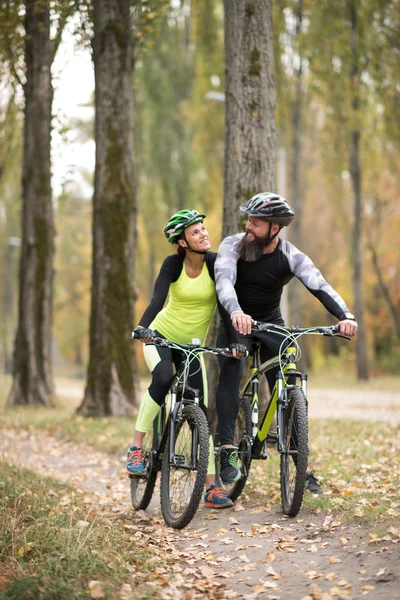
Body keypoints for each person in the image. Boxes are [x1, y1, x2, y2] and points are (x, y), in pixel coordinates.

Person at [214, 192, 358, 492]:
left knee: (286, 378)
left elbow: (318, 284)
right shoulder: (232, 245)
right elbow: (224, 280)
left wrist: (345, 315)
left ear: (274, 229)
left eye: (256, 222)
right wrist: (237, 312)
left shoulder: (290, 255)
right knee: (232, 372)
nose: (248, 226)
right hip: (235, 319)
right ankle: (227, 451)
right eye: (249, 220)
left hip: (269, 321)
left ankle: (300, 467)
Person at [127, 209, 241, 509]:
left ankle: (210, 489)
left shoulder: (215, 264)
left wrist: (234, 342)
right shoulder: (173, 264)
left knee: (200, 410)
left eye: (203, 229)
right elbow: (156, 300)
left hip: (192, 347)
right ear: (182, 241)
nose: (203, 234)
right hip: (160, 337)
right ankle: (136, 449)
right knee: (163, 377)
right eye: (195, 232)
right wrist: (142, 328)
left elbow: (226, 305)